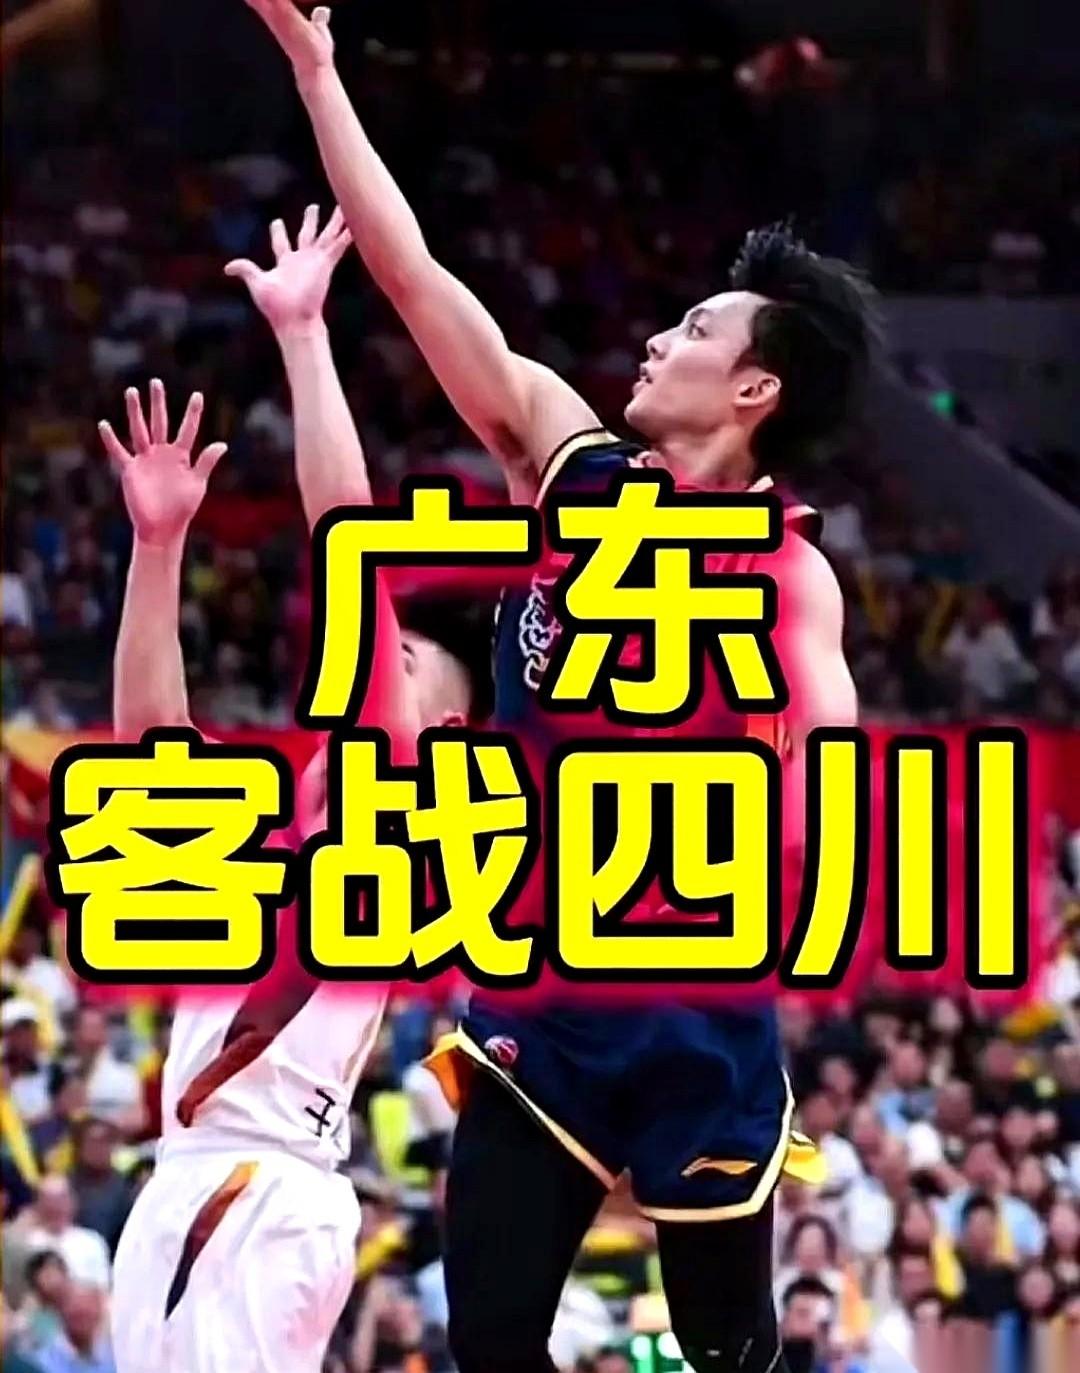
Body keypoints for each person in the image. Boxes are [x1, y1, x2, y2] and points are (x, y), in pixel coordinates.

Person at [243, 8, 876, 1372]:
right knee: (490, 1344)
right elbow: (414, 278)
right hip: (544, 992)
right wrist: (320, 75)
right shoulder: (572, 471)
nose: (654, 340)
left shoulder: (782, 572)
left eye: (693, 329)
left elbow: (830, 774)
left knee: (728, 1351)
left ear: (755, 387)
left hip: (697, 995)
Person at [104, 209, 495, 1373]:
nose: (371, 662)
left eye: (399, 661)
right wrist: (157, 550)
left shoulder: (399, 799)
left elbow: (346, 537)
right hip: (210, 1184)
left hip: (254, 1182)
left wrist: (305, 332)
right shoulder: (282, 844)